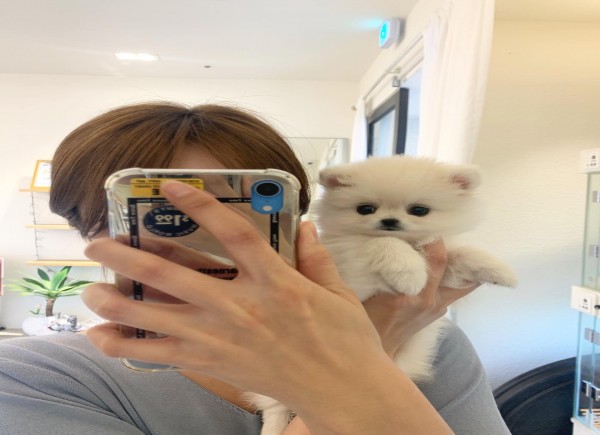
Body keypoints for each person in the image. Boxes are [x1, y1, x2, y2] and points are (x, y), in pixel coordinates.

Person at [0, 102, 509, 434]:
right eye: (158, 212)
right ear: (90, 225)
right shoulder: (32, 377)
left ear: (293, 218)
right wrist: (373, 345)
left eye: (233, 206)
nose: (200, 234)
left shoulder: (434, 337)